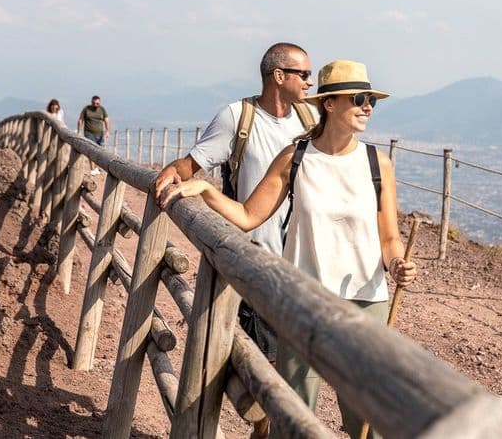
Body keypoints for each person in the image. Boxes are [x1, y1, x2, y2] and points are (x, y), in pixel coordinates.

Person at [162, 59, 417, 439]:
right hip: (303, 300)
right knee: (295, 412)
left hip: (366, 300)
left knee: (367, 419)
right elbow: (249, 215)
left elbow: (389, 237)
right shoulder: (295, 158)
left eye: (372, 101)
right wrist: (206, 190)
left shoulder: (378, 163)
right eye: (359, 99)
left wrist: (396, 263)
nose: (367, 107)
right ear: (329, 104)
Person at [154, 42, 316, 438]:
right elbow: (193, 163)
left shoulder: (309, 120)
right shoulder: (237, 118)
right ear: (279, 76)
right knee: (264, 379)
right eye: (304, 74)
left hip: (299, 264)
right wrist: (173, 173)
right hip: (254, 260)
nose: (310, 82)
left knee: (285, 375)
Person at [77, 95, 110, 175]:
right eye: (94, 103)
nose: (95, 105)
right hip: (89, 133)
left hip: (100, 134)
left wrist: (107, 131)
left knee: (100, 151)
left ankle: (97, 167)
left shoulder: (102, 110)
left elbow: (107, 120)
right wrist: (79, 131)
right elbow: (81, 119)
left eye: (97, 103)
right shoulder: (86, 109)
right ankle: (93, 168)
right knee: (92, 150)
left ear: (100, 103)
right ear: (91, 102)